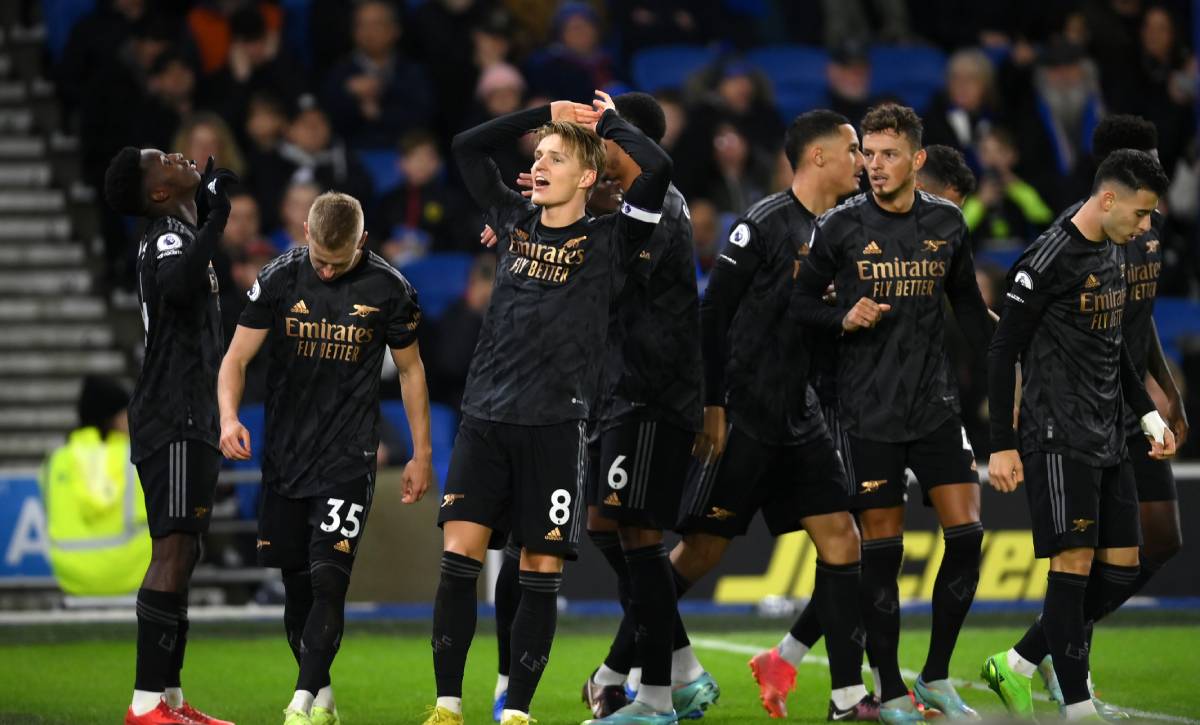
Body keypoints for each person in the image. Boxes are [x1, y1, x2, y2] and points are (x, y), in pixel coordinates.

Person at [425, 90, 672, 725]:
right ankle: (447, 707)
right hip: (484, 418)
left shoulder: (614, 239)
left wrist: (608, 122)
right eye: (537, 155)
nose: (537, 165)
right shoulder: (511, 218)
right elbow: (465, 146)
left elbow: (659, 170)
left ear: (587, 177)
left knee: (539, 571)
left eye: (554, 158)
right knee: (459, 562)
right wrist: (543, 117)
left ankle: (518, 712)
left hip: (556, 425)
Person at [486, 92, 702, 724]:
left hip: (652, 394)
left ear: (623, 142)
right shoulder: (625, 203)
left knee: (638, 537)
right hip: (618, 394)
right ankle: (670, 670)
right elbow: (600, 217)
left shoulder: (660, 206)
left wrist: (559, 202)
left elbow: (612, 252)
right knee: (612, 529)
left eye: (600, 139)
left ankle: (658, 694)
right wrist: (539, 210)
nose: (592, 150)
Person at [792, 104, 995, 722]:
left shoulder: (948, 222)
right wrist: (842, 316)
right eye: (868, 154)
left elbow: (967, 308)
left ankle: (934, 674)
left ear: (917, 159)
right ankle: (888, 686)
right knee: (884, 553)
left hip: (933, 405)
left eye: (887, 155)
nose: (874, 166)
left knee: (967, 536)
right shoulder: (838, 227)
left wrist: (1009, 372)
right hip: (868, 410)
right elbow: (800, 304)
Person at [984, 116, 1188, 720]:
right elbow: (1002, 351)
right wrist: (1002, 444)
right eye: (1142, 213)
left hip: (1108, 431)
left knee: (1121, 572)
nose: (1148, 226)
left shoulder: (1118, 252)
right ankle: (1078, 707)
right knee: (1071, 568)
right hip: (1056, 431)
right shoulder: (1045, 258)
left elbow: (1117, 349)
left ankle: (1019, 662)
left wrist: (1150, 415)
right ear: (1108, 198)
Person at [680, 110, 872, 722]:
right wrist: (713, 403)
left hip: (801, 414)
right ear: (818, 157)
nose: (862, 161)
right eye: (853, 150)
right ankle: (616, 667)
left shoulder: (844, 231)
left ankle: (846, 698)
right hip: (744, 412)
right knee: (700, 556)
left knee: (844, 542)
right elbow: (712, 315)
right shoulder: (761, 225)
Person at [218, 191, 432, 725]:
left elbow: (410, 371)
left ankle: (300, 702)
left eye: (340, 263)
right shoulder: (279, 277)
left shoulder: (390, 288)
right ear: (306, 235)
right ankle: (323, 693)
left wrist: (421, 451)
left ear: (362, 241)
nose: (329, 272)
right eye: (320, 260)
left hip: (347, 454)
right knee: (295, 585)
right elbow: (236, 358)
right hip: (286, 457)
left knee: (329, 579)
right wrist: (227, 417)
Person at [103, 147, 237, 725]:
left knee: (186, 551)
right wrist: (213, 222)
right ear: (158, 191)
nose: (176, 154)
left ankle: (173, 703)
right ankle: (144, 704)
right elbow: (179, 287)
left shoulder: (179, 232)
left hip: (193, 411)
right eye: (162, 159)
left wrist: (205, 219)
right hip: (174, 410)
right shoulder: (166, 236)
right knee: (173, 549)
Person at [41, 376, 151, 597]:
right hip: (131, 573)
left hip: (72, 578)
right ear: (111, 418)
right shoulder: (136, 457)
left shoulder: (57, 461)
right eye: (125, 412)